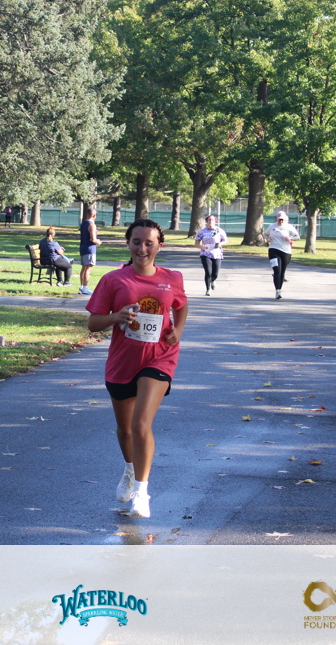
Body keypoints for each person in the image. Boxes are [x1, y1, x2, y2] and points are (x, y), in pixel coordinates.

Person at [86, 219, 188, 519]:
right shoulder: (113, 280)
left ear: (159, 246)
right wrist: (116, 317)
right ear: (128, 244)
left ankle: (142, 493)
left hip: (160, 357)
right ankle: (130, 470)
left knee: (141, 423)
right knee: (126, 428)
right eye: (137, 242)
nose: (142, 248)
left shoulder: (172, 278)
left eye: (149, 243)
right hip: (122, 361)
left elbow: (181, 305)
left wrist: (178, 330)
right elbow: (93, 323)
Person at [264, 211, 300, 299]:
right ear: (277, 219)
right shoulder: (272, 226)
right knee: (277, 271)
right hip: (273, 249)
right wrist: (268, 239)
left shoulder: (289, 227)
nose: (281, 221)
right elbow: (266, 234)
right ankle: (277, 291)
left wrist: (290, 238)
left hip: (285, 251)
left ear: (285, 219)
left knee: (282, 272)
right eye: (279, 219)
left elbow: (298, 237)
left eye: (282, 219)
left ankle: (280, 289)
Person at [195, 214, 227, 296]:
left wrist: (219, 244)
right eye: (209, 220)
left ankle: (212, 280)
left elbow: (225, 240)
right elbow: (197, 243)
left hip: (216, 254)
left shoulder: (219, 230)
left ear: (215, 221)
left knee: (215, 273)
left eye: (212, 220)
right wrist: (201, 247)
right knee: (208, 272)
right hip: (205, 254)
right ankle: (208, 289)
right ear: (207, 221)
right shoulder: (202, 232)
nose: (210, 222)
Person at [79, 206, 101, 295]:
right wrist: (99, 242)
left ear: (87, 214)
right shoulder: (92, 225)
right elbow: (93, 239)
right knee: (88, 268)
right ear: (94, 215)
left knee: (84, 268)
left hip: (83, 247)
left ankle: (82, 287)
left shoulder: (83, 223)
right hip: (90, 249)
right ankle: (85, 287)